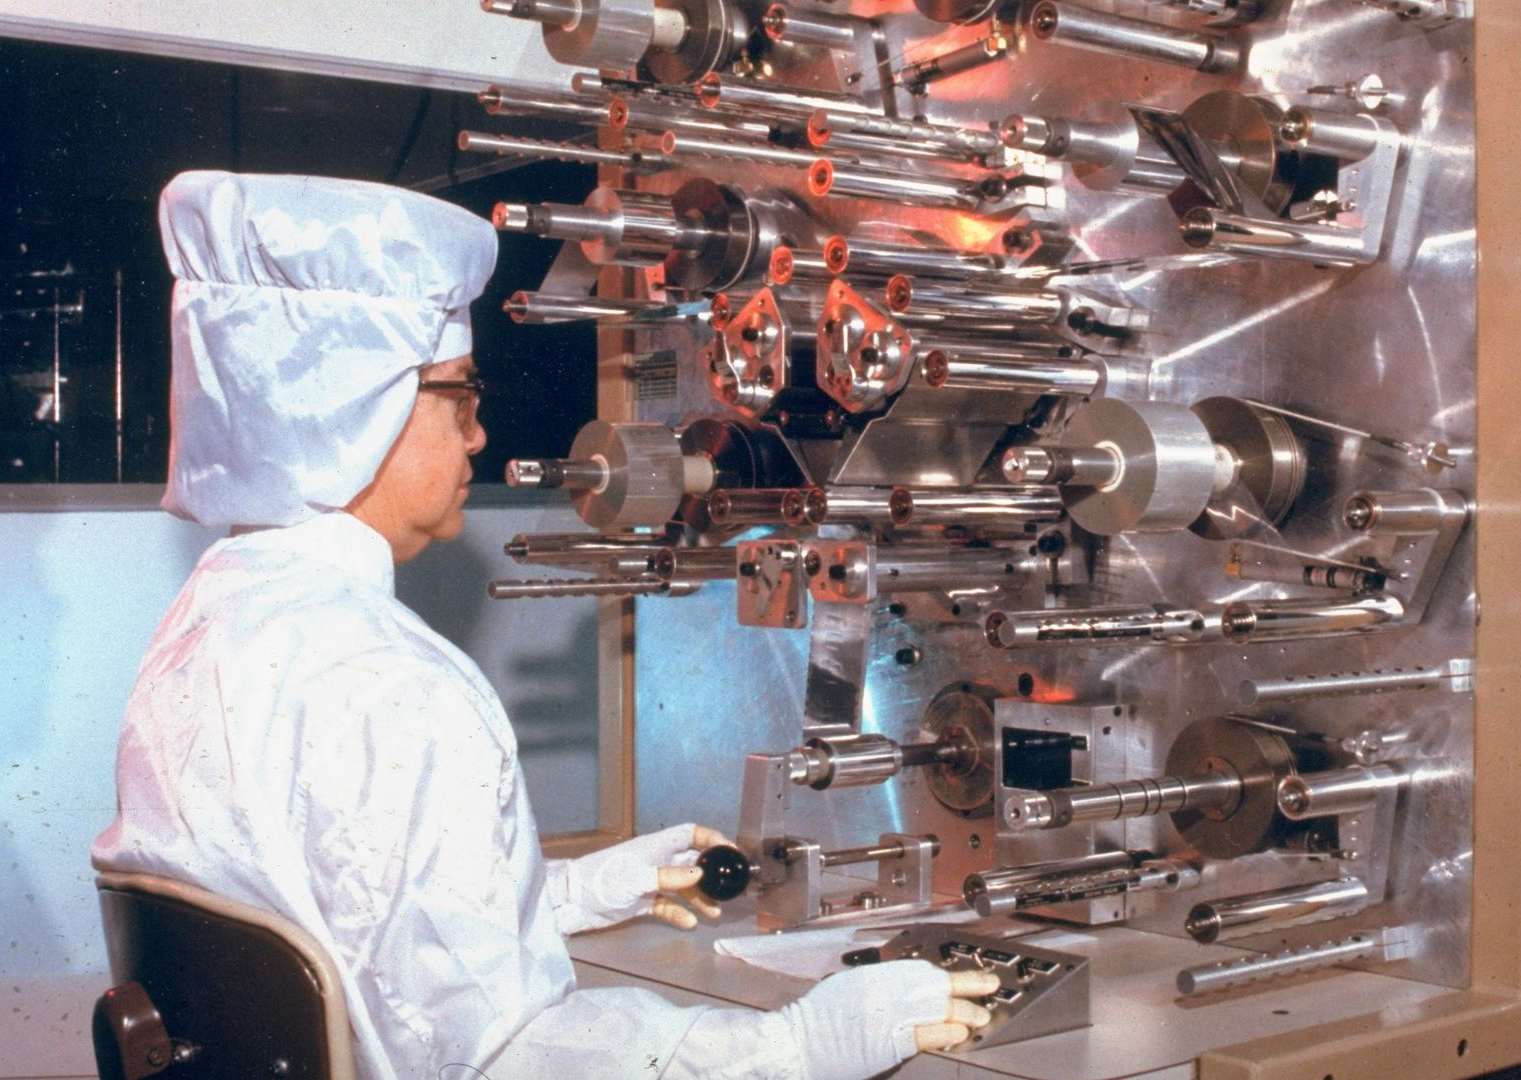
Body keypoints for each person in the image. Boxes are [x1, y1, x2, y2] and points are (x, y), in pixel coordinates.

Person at [91, 170, 996, 1079]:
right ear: (357, 410)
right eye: (462, 396)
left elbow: (357, 920)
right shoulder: (393, 686)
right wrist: (799, 1045)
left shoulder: (206, 625)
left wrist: (575, 891)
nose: (478, 435)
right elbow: (502, 1058)